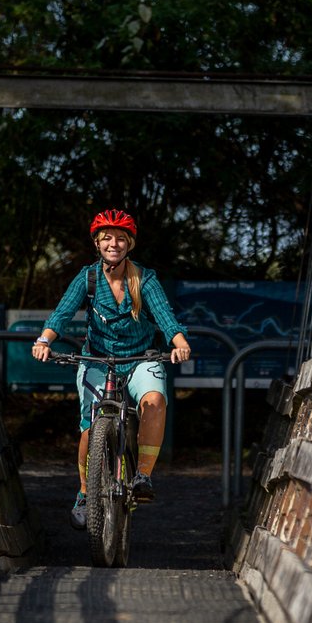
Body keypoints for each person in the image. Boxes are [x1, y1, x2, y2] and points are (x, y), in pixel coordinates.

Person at [31, 209, 192, 528]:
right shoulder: (88, 277)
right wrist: (44, 340)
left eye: (120, 239)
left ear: (129, 244)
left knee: (155, 403)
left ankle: (143, 477)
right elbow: (62, 313)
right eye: (107, 238)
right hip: (97, 359)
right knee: (90, 428)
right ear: (97, 243)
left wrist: (179, 342)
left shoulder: (144, 278)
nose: (113, 244)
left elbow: (164, 315)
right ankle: (84, 493)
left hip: (141, 358)